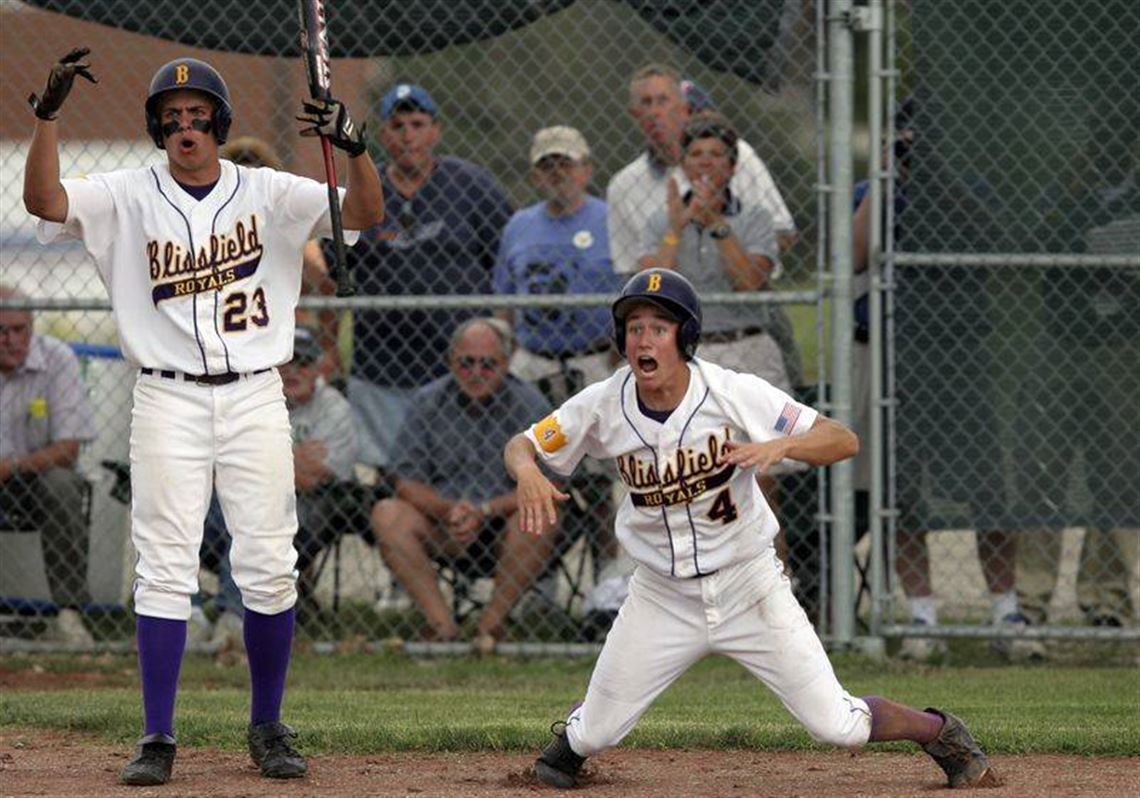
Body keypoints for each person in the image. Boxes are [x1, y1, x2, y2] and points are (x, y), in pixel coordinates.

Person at [23, 49, 383, 786]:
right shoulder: (127, 192)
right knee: (162, 567)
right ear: (157, 131)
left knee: (269, 566)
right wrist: (48, 118)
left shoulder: (269, 191)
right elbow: (44, 203)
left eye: (197, 118)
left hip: (255, 392)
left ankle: (268, 725)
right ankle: (157, 737)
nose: (185, 129)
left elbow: (367, 213)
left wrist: (357, 149)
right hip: (167, 396)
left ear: (220, 124)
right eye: (170, 119)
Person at [503, 269, 1000, 791]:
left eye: (658, 327)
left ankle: (939, 731)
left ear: (685, 338)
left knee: (839, 726)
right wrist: (529, 471)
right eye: (633, 328)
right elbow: (524, 444)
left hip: (748, 584)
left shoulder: (731, 392)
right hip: (661, 595)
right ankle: (574, 742)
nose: (643, 339)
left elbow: (841, 439)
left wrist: (782, 446)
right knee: (596, 733)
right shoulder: (604, 402)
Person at [853, 100, 1028, 661]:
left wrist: (940, 178)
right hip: (900, 356)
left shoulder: (968, 186)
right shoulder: (876, 189)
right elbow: (856, 254)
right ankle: (923, 617)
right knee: (903, 494)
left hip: (962, 354)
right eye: (907, 141)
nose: (915, 153)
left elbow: (992, 237)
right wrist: (886, 176)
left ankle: (1007, 613)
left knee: (989, 493)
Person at [344, 83, 513, 471]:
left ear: (436, 131)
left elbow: (505, 266)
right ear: (383, 134)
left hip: (458, 369)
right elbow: (334, 271)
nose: (408, 136)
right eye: (397, 125)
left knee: (456, 469)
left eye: (418, 124)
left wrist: (503, 333)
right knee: (386, 473)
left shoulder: (471, 186)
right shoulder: (367, 189)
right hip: (381, 366)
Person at [491, 125, 622, 629]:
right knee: (536, 470)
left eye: (566, 163)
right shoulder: (520, 225)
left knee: (605, 480)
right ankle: (537, 587)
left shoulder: (609, 219)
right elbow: (504, 302)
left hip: (596, 363)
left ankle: (610, 588)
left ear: (586, 168)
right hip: (535, 362)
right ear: (534, 173)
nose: (557, 173)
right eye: (547, 164)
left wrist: (618, 357)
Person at [370, 318, 552, 653]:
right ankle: (443, 628)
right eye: (466, 363)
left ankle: (490, 629)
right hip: (443, 524)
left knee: (540, 514)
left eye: (488, 363)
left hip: (505, 526)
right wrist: (449, 511)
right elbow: (403, 480)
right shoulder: (428, 401)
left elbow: (548, 483)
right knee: (387, 513)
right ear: (451, 362)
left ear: (507, 363)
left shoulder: (530, 404)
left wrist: (485, 511)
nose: (476, 372)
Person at [192, 325, 362, 648]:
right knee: (184, 506)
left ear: (317, 368)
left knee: (256, 513)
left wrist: (253, 461)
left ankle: (235, 617)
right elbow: (215, 466)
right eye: (285, 361)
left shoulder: (333, 407)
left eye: (304, 362)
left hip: (308, 508)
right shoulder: (248, 398)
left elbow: (315, 479)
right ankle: (188, 613)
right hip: (236, 498)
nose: (294, 370)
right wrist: (292, 460)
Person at [606, 65, 797, 279]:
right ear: (634, 114)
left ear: (684, 108)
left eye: (662, 101)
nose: (654, 112)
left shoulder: (737, 155)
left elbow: (783, 232)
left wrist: (730, 259)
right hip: (672, 303)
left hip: (740, 298)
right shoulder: (623, 185)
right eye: (646, 103)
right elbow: (630, 271)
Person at [0, 283, 96, 647]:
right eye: (0, 331)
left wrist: (12, 467)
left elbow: (68, 448)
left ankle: (69, 614)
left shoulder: (57, 358)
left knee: (62, 483)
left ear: (32, 326)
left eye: (19, 330)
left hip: (33, 477)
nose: (10, 340)